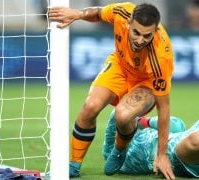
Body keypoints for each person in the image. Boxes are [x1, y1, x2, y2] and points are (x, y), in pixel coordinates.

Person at [48, 2, 175, 179]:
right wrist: (78, 14)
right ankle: (73, 165)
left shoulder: (161, 57)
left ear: (155, 31)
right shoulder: (122, 11)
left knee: (122, 116)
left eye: (147, 36)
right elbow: (99, 13)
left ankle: (120, 150)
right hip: (120, 67)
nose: (140, 40)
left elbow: (164, 108)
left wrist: (162, 155)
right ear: (129, 23)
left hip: (146, 82)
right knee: (90, 106)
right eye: (136, 33)